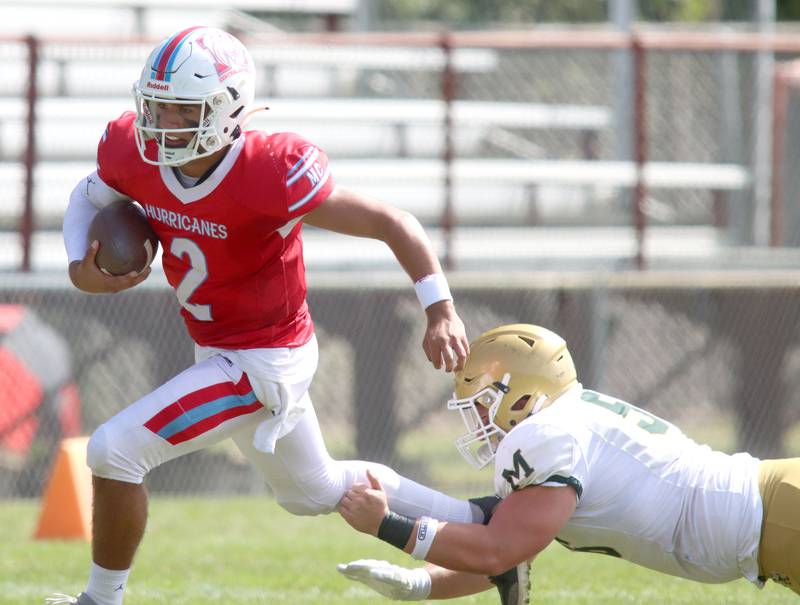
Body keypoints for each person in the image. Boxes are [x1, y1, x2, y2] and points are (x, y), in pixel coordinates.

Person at [52, 26, 478, 605]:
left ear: (226, 111)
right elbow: (88, 194)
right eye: (155, 106)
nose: (161, 124)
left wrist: (441, 309)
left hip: (263, 360)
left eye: (181, 111)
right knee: (315, 491)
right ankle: (483, 522)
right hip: (220, 350)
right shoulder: (136, 152)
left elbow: (391, 222)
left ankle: (102, 600)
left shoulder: (270, 170)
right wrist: (81, 266)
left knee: (114, 449)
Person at [337, 323, 800, 603]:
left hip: (779, 520)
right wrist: (417, 585)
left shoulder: (546, 435)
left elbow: (498, 550)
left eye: (480, 404)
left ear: (519, 392)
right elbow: (504, 545)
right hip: (774, 517)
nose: (477, 420)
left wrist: (387, 525)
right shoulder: (565, 425)